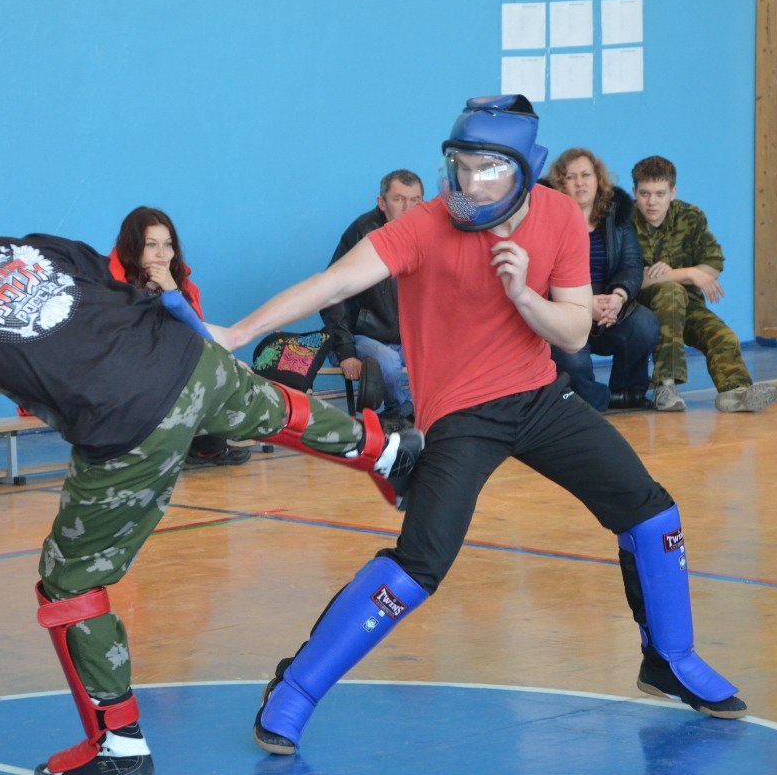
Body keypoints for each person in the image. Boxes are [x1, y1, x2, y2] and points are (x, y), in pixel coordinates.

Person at [215, 95, 747, 758]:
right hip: (461, 415)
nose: (470, 182)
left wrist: (522, 294)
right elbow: (331, 284)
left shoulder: (559, 215)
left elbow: (574, 331)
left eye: (487, 169)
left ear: (525, 169)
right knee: (419, 563)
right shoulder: (425, 224)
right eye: (461, 166)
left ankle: (670, 659)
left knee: (652, 513)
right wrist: (236, 333)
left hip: (538, 396)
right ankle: (294, 687)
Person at [0, 173, 422, 775]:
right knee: (263, 404)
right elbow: (110, 288)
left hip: (124, 421)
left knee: (68, 585)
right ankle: (386, 450)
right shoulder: (30, 245)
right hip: (185, 355)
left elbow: (1, 377)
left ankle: (118, 744)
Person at [631, 155, 777, 413]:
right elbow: (634, 280)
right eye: (645, 194)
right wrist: (687, 273)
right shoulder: (625, 222)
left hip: (686, 304)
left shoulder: (690, 217)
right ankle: (666, 387)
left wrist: (674, 273)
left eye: (660, 194)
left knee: (722, 335)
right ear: (635, 192)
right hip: (639, 309)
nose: (652, 202)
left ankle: (735, 393)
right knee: (670, 292)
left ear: (673, 192)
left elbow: (712, 265)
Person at [110, 206, 250, 465]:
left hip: (171, 366)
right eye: (151, 245)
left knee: (220, 366)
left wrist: (172, 290)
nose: (161, 254)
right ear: (132, 248)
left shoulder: (182, 284)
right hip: (128, 373)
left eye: (168, 245)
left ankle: (206, 446)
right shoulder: (110, 286)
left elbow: (196, 333)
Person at [546, 148, 657, 411]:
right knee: (573, 361)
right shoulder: (546, 219)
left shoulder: (616, 216)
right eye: (571, 177)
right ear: (560, 183)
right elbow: (539, 275)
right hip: (565, 307)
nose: (580, 182)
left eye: (586, 175)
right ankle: (594, 399)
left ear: (598, 179)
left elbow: (631, 265)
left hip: (609, 304)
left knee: (644, 324)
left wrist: (618, 297)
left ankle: (627, 393)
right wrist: (585, 304)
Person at [319, 170, 423, 425]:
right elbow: (332, 295)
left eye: (415, 200)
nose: (408, 208)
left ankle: (413, 410)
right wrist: (345, 351)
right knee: (387, 361)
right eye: (399, 199)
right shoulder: (362, 233)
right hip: (364, 336)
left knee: (448, 358)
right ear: (381, 202)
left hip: (408, 337)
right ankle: (399, 412)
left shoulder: (427, 233)